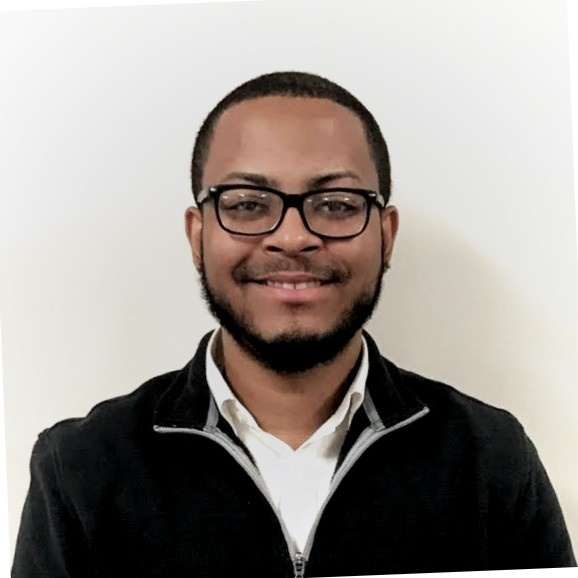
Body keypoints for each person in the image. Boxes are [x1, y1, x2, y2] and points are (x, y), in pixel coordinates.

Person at [12, 71, 576, 578]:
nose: (292, 237)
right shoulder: (81, 468)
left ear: (386, 235)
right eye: (247, 204)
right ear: (197, 235)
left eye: (336, 204)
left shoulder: (489, 458)